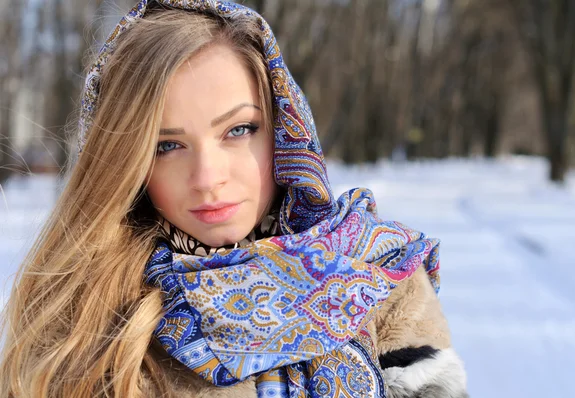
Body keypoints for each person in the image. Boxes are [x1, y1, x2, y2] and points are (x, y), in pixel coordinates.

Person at [0, 1, 468, 397]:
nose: (207, 178)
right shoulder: (89, 317)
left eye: (238, 130)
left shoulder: (379, 274)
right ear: (127, 161)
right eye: (166, 145)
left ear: (284, 129)